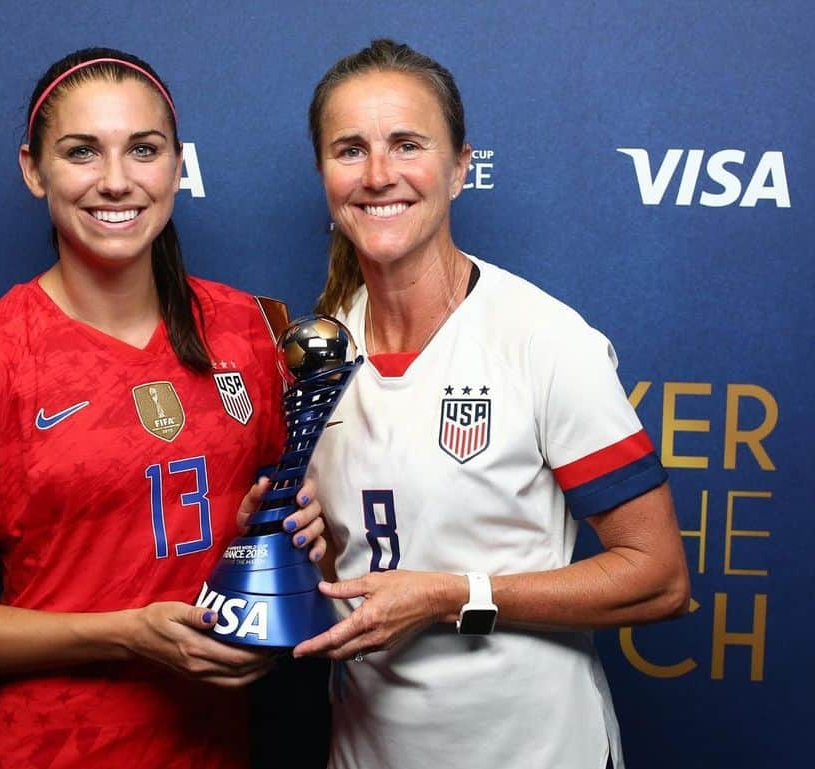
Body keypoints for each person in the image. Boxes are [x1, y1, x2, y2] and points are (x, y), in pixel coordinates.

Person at [0, 47, 327, 769]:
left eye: (143, 150)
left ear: (177, 165)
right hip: (45, 748)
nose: (116, 181)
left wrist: (290, 528)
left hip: (214, 746)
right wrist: (125, 632)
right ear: (34, 170)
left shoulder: (249, 328)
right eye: (82, 152)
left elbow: (288, 537)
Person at [292, 39, 691, 769]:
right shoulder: (318, 348)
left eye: (407, 144)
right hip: (366, 748)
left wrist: (453, 594)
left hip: (534, 749)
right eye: (350, 149)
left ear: (460, 168)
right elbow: (345, 548)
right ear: (323, 173)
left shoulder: (543, 339)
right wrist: (300, 537)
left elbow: (659, 575)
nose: (379, 174)